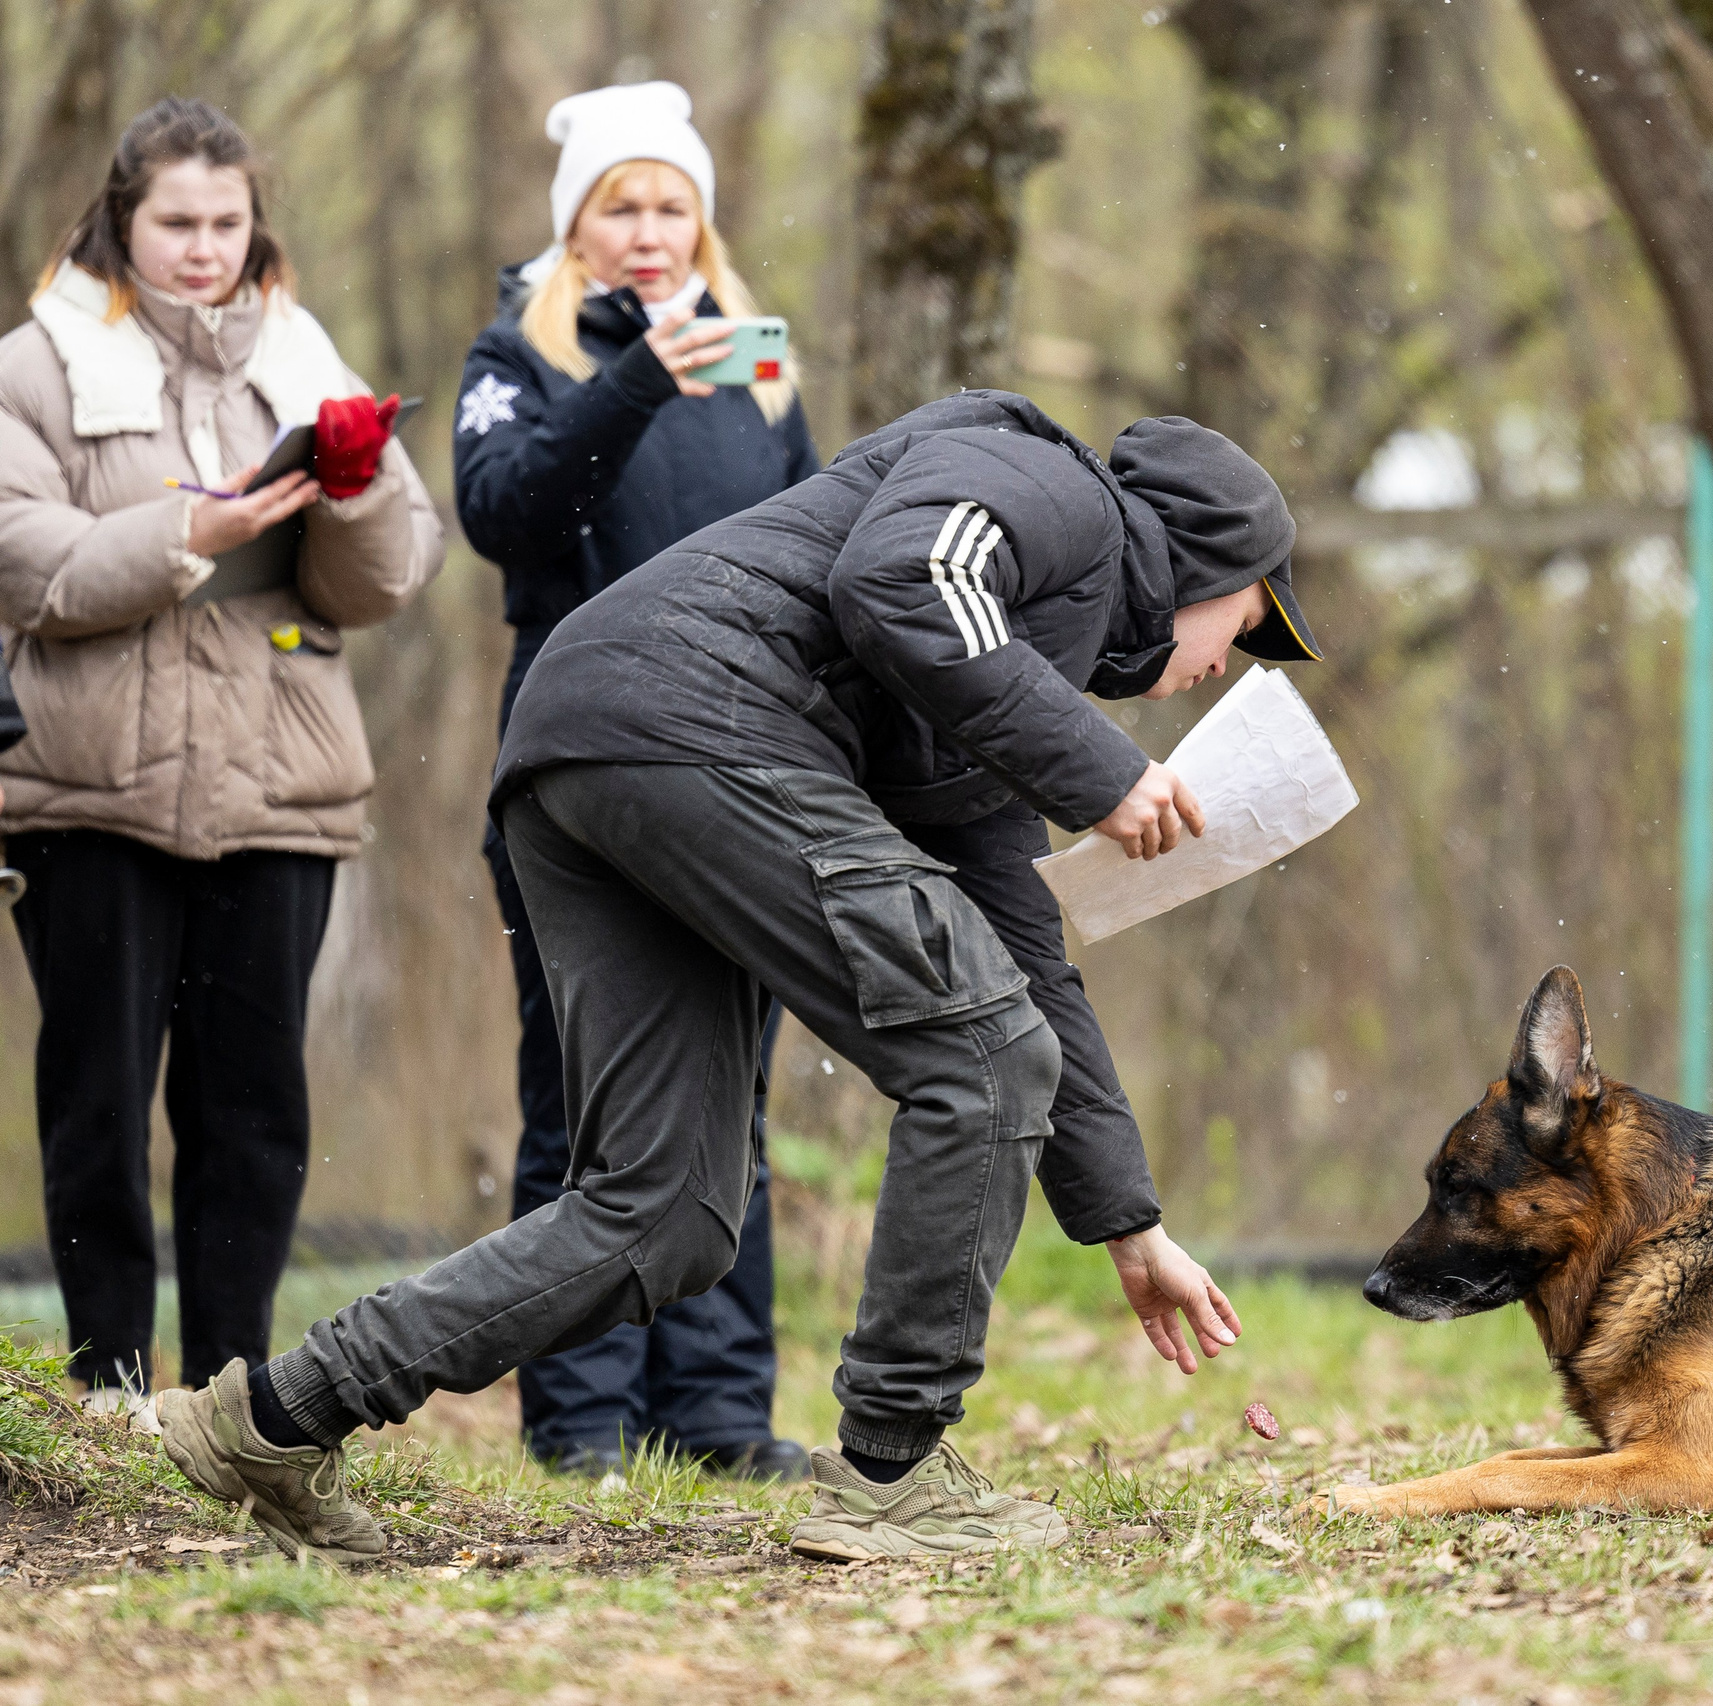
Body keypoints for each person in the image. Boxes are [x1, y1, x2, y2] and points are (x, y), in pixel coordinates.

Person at [159, 386, 1323, 1562]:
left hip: (595, 746)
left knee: (665, 1214)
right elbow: (907, 577)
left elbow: (1032, 966)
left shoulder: (1002, 690)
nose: (1224, 664)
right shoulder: (1057, 491)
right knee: (977, 1056)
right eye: (1245, 625)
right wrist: (1101, 770)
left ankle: (278, 1416)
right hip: (692, 716)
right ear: (1202, 561)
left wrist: (1129, 1221)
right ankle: (891, 1469)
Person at [0, 98, 442, 1408]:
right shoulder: (32, 367)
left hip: (278, 782)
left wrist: (354, 487)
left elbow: (387, 579)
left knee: (253, 1109)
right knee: (98, 1099)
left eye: (226, 223)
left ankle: (233, 1395)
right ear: (121, 221)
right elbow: (26, 563)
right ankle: (110, 1383)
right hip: (88, 786)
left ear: (258, 227)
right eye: (176, 222)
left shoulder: (307, 362)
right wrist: (190, 533)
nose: (203, 249)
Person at [455, 81, 819, 1482]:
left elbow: (816, 550)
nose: (652, 231)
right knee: (587, 1102)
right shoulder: (520, 354)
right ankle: (583, 1420)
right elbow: (505, 511)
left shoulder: (760, 373)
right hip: (575, 777)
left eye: (674, 206)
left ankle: (715, 1414)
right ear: (577, 227)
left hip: (744, 768)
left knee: (730, 1103)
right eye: (623, 206)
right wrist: (637, 379)